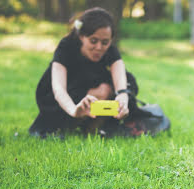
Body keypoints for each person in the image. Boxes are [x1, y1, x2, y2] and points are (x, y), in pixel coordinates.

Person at [29, 7, 135, 137]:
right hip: (63, 97)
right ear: (81, 36)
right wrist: (74, 110)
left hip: (91, 87)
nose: (99, 48)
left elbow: (121, 77)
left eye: (105, 42)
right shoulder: (66, 46)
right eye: (93, 41)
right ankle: (70, 125)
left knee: (124, 84)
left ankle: (93, 128)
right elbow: (58, 90)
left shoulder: (110, 50)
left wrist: (122, 97)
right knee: (99, 92)